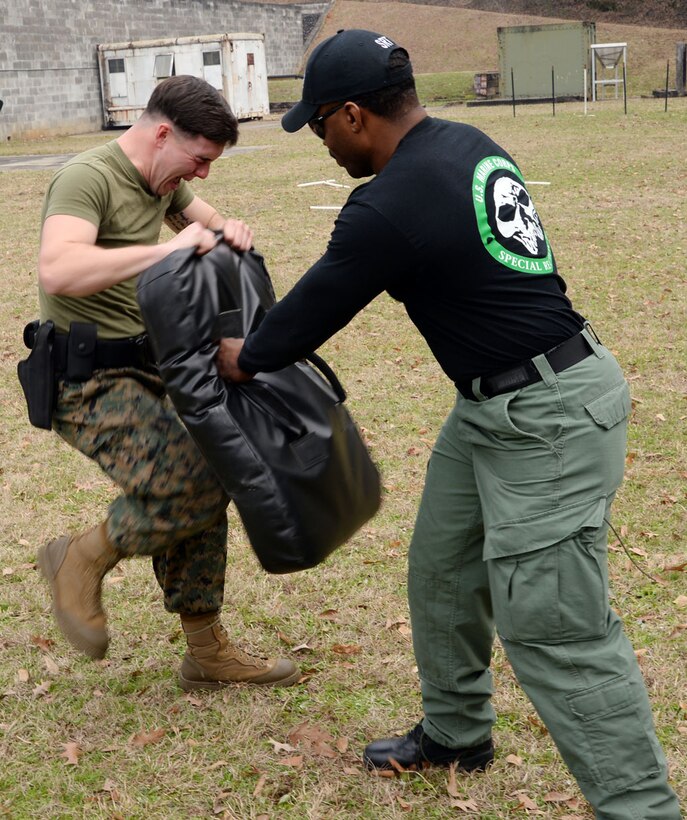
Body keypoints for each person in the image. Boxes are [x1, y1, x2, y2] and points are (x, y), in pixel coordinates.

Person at [216, 30, 681, 818]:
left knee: (556, 629)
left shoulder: (386, 205)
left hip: (546, 421)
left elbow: (303, 319)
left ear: (354, 115)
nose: (322, 141)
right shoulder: (464, 142)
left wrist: (244, 354)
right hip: (500, 403)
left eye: (320, 123)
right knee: (441, 569)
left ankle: (641, 811)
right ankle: (456, 733)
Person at [34, 75, 299, 690]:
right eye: (199, 158)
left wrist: (229, 230)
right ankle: (82, 556)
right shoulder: (89, 177)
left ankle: (206, 652)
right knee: (187, 483)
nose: (202, 174)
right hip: (87, 376)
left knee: (215, 470)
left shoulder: (165, 180)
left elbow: (208, 221)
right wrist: (167, 251)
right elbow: (59, 267)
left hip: (155, 362)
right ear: (161, 134)